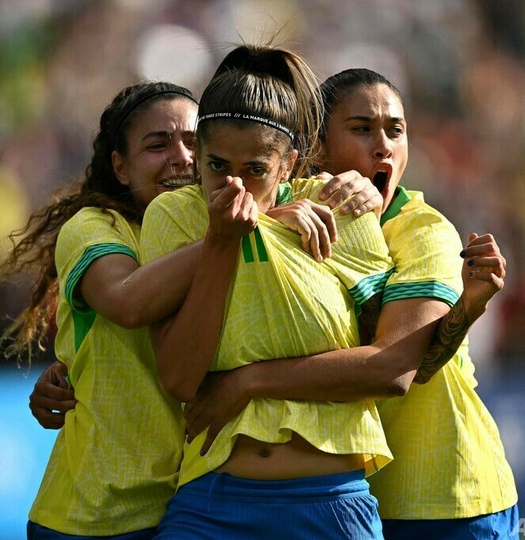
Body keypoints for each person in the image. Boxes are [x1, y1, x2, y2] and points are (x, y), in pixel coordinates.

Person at [0, 78, 382, 538]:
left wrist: (359, 189)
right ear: (120, 166)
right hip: (93, 512)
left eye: (193, 143)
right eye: (158, 145)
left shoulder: (215, 221)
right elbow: (128, 302)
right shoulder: (98, 227)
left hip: (187, 499)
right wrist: (256, 223)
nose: (180, 158)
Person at [183, 68, 518, 540]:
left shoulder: (424, 231)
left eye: (395, 131)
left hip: (447, 493)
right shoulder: (287, 217)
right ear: (314, 147)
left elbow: (400, 367)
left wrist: (248, 382)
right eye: (362, 129)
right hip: (360, 490)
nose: (383, 146)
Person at [142, 44, 395, 539]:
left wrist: (247, 381)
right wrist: (223, 240)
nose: (233, 184)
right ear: (197, 161)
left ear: (287, 165)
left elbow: (388, 369)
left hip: (330, 505)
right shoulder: (174, 217)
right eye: (216, 165)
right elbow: (179, 378)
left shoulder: (341, 207)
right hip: (212, 505)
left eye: (256, 169)